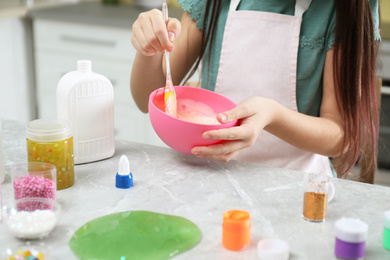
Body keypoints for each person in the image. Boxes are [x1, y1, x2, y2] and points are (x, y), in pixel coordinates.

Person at [130, 0, 381, 178]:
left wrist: (273, 115)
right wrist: (148, 50)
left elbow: (342, 135)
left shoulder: (345, 7)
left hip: (296, 184)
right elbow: (146, 99)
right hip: (208, 177)